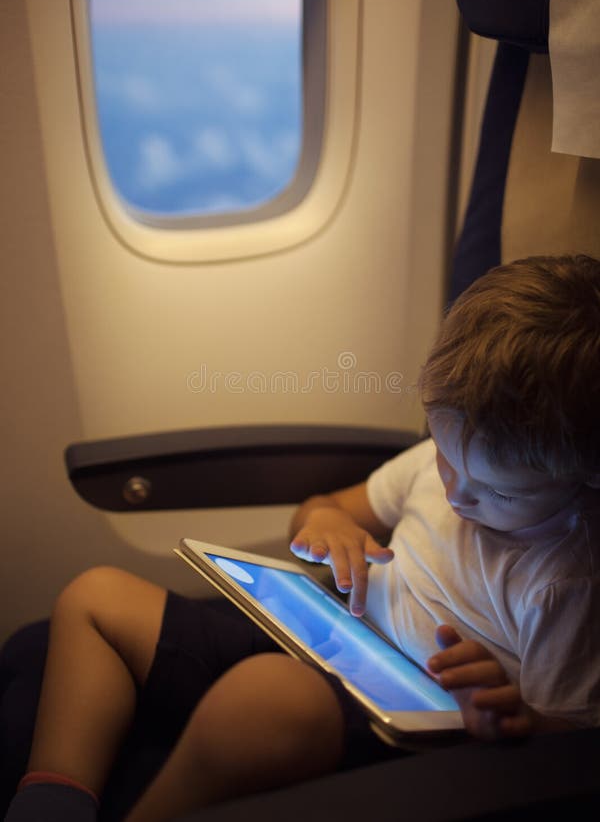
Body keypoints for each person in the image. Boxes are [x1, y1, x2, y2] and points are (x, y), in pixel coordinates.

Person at [5, 254, 599, 822]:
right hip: (320, 626)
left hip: (388, 716)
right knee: (95, 597)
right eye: (448, 460)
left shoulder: (566, 579)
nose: (458, 496)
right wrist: (327, 525)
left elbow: (572, 738)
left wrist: (513, 716)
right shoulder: (433, 462)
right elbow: (323, 510)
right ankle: (52, 803)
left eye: (501, 494)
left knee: (273, 695)